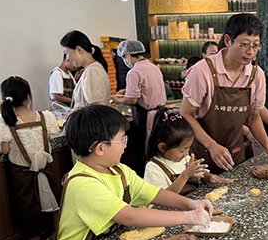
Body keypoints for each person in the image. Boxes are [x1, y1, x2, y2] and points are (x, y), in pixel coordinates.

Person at [54, 105, 213, 240]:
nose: (125, 145)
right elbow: (130, 216)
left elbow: (156, 194)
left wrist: (192, 204)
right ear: (100, 148)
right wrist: (187, 217)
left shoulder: (119, 170)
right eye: (122, 140)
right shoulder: (83, 185)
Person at [180, 13, 268, 173]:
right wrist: (212, 145)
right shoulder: (202, 71)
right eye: (244, 44)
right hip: (202, 154)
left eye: (256, 45)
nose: (250, 52)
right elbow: (185, 114)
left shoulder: (256, 75)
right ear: (227, 40)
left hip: (235, 153)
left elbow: (253, 116)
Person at [0, 76, 61, 240]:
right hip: (46, 168)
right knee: (54, 203)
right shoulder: (45, 117)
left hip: (22, 173)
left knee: (28, 209)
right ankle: (55, 239)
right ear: (28, 97)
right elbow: (48, 140)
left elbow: (4, 150)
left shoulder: (2, 121)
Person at [144, 108, 233, 194]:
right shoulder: (154, 168)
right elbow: (161, 198)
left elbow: (201, 174)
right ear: (163, 147)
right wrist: (185, 175)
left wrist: (210, 177)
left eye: (189, 148)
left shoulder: (185, 159)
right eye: (182, 151)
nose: (187, 153)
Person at [111, 40, 167, 176]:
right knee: (157, 152)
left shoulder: (134, 72)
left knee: (144, 153)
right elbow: (148, 88)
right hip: (161, 114)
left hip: (146, 118)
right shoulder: (154, 67)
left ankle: (145, 179)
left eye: (123, 57)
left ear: (127, 55)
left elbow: (131, 100)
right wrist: (128, 90)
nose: (124, 61)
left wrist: (117, 100)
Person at [60, 30, 110, 109]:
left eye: (66, 53)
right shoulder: (93, 69)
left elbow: (98, 107)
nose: (67, 58)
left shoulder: (92, 71)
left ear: (79, 50)